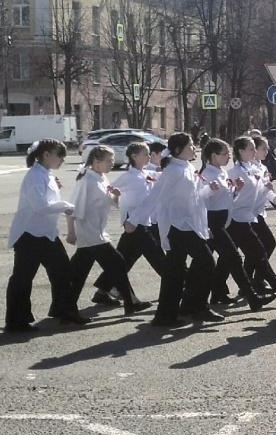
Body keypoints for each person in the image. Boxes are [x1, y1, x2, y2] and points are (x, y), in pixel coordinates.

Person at [5, 140, 87, 332]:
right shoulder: (34, 176)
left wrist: (59, 196)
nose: (62, 160)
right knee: (23, 278)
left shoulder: (46, 175)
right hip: (30, 235)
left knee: (63, 272)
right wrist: (67, 206)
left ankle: (64, 310)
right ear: (46, 155)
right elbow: (40, 206)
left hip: (46, 234)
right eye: (60, 155)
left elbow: (49, 201)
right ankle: (16, 322)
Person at [67, 146, 151, 317]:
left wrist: (116, 196)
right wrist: (71, 232)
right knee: (116, 265)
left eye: (113, 160)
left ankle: (65, 310)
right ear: (96, 162)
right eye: (109, 160)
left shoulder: (101, 178)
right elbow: (73, 208)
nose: (112, 163)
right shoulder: (86, 181)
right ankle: (130, 303)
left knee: (79, 274)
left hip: (98, 233)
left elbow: (108, 202)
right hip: (90, 234)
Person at [151, 133, 223, 327]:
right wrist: (135, 220)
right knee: (206, 262)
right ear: (177, 150)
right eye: (190, 145)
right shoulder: (173, 171)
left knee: (175, 272)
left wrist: (209, 190)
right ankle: (195, 307)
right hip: (178, 226)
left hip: (189, 224)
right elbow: (155, 197)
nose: (194, 148)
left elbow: (196, 197)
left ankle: (176, 312)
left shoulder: (187, 167)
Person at [90, 142, 166, 306]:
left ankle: (103, 290)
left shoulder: (144, 173)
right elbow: (109, 189)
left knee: (124, 259)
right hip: (134, 223)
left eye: (148, 154)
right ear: (133, 156)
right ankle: (176, 287)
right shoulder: (128, 176)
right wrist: (116, 199)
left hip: (142, 221)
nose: (148, 156)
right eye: (144, 154)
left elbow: (160, 176)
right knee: (158, 257)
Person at [200, 139, 273, 311]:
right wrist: (209, 191)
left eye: (227, 153)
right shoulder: (207, 174)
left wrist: (236, 190)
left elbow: (227, 199)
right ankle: (250, 297)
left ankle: (217, 294)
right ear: (213, 155)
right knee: (222, 260)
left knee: (226, 260)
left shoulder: (222, 172)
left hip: (223, 221)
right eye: (224, 154)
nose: (227, 156)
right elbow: (199, 200)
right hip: (211, 222)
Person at [227, 137, 276, 297]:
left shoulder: (257, 168)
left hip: (255, 214)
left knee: (256, 250)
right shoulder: (236, 172)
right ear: (242, 151)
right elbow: (230, 196)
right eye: (261, 148)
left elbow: (264, 189)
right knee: (243, 253)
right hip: (241, 217)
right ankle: (252, 284)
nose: (266, 151)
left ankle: (251, 282)